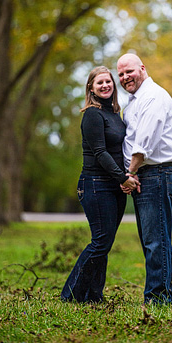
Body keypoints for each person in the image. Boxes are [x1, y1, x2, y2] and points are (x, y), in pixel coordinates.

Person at [62, 66, 141, 303]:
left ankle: (94, 295)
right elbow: (99, 152)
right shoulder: (92, 114)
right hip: (95, 184)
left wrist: (127, 175)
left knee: (104, 243)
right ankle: (72, 294)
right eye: (99, 83)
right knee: (100, 241)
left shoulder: (114, 114)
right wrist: (123, 177)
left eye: (108, 81)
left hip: (114, 186)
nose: (105, 85)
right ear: (91, 88)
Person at [116, 53, 172, 304]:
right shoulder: (135, 102)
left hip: (156, 174)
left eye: (129, 72)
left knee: (155, 240)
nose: (125, 78)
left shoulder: (153, 97)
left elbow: (143, 145)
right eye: (121, 74)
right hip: (149, 175)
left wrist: (130, 173)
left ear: (142, 69)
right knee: (154, 238)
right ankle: (165, 294)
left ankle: (159, 298)